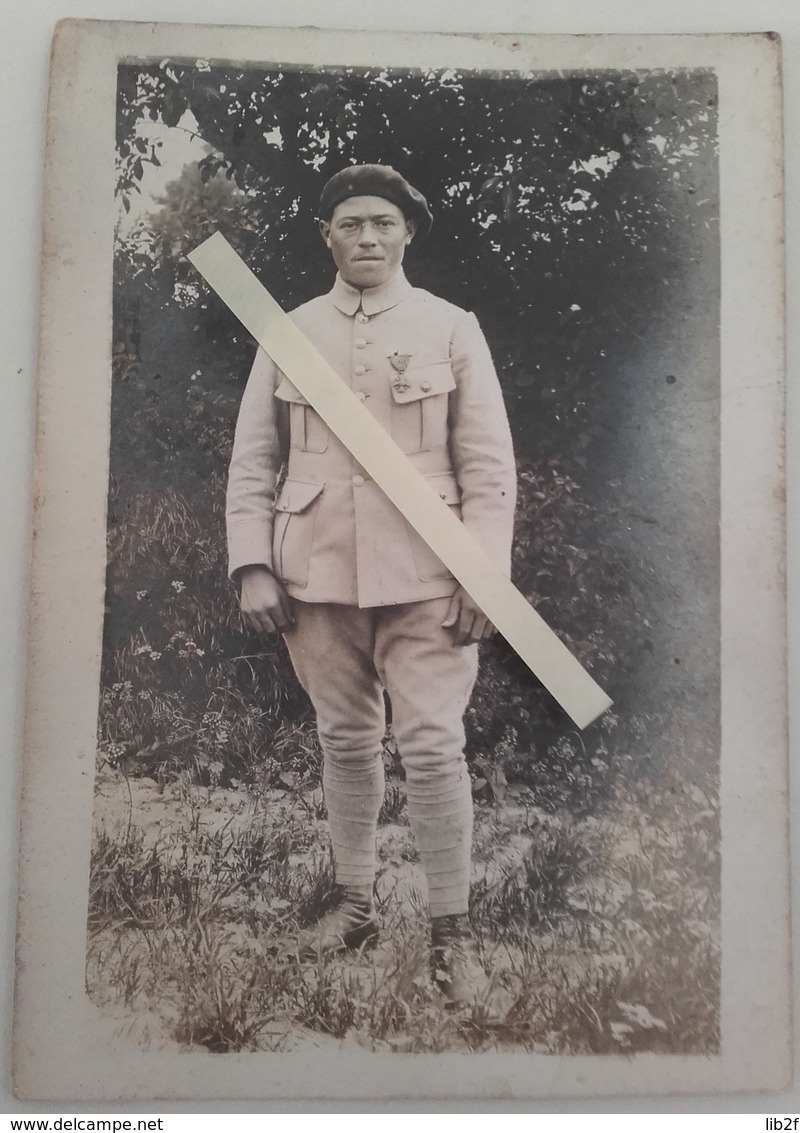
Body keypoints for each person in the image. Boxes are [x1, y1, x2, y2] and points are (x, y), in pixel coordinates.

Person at [226, 163, 517, 1005]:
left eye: (382, 224)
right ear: (327, 234)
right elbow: (255, 459)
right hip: (313, 571)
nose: (366, 239)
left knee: (433, 745)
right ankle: (353, 904)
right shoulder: (289, 330)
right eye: (350, 223)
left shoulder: (451, 327)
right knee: (344, 739)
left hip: (431, 574)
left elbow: (489, 466)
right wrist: (252, 561)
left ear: (407, 234)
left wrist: (483, 577)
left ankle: (450, 935)